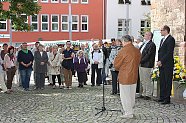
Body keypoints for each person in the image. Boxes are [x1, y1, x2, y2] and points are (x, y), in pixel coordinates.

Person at [114, 35, 141, 118]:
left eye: (122, 41)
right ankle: (130, 110)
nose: (121, 43)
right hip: (134, 75)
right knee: (132, 95)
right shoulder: (137, 51)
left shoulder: (123, 51)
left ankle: (128, 113)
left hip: (125, 76)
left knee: (125, 95)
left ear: (124, 41)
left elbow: (116, 65)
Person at [157, 25, 175, 104]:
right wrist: (159, 61)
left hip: (167, 64)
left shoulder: (171, 39)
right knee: (162, 80)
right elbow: (160, 52)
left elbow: (169, 52)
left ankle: (167, 98)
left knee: (167, 81)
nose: (160, 32)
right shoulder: (162, 40)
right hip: (161, 63)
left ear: (166, 30)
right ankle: (162, 96)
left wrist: (162, 61)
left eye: (161, 30)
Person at [139, 32, 156, 100]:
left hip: (147, 64)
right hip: (141, 64)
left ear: (149, 36)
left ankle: (148, 94)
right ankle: (144, 93)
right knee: (142, 79)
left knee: (147, 80)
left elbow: (148, 55)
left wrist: (140, 61)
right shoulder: (144, 43)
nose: (144, 36)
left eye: (146, 34)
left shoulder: (151, 44)